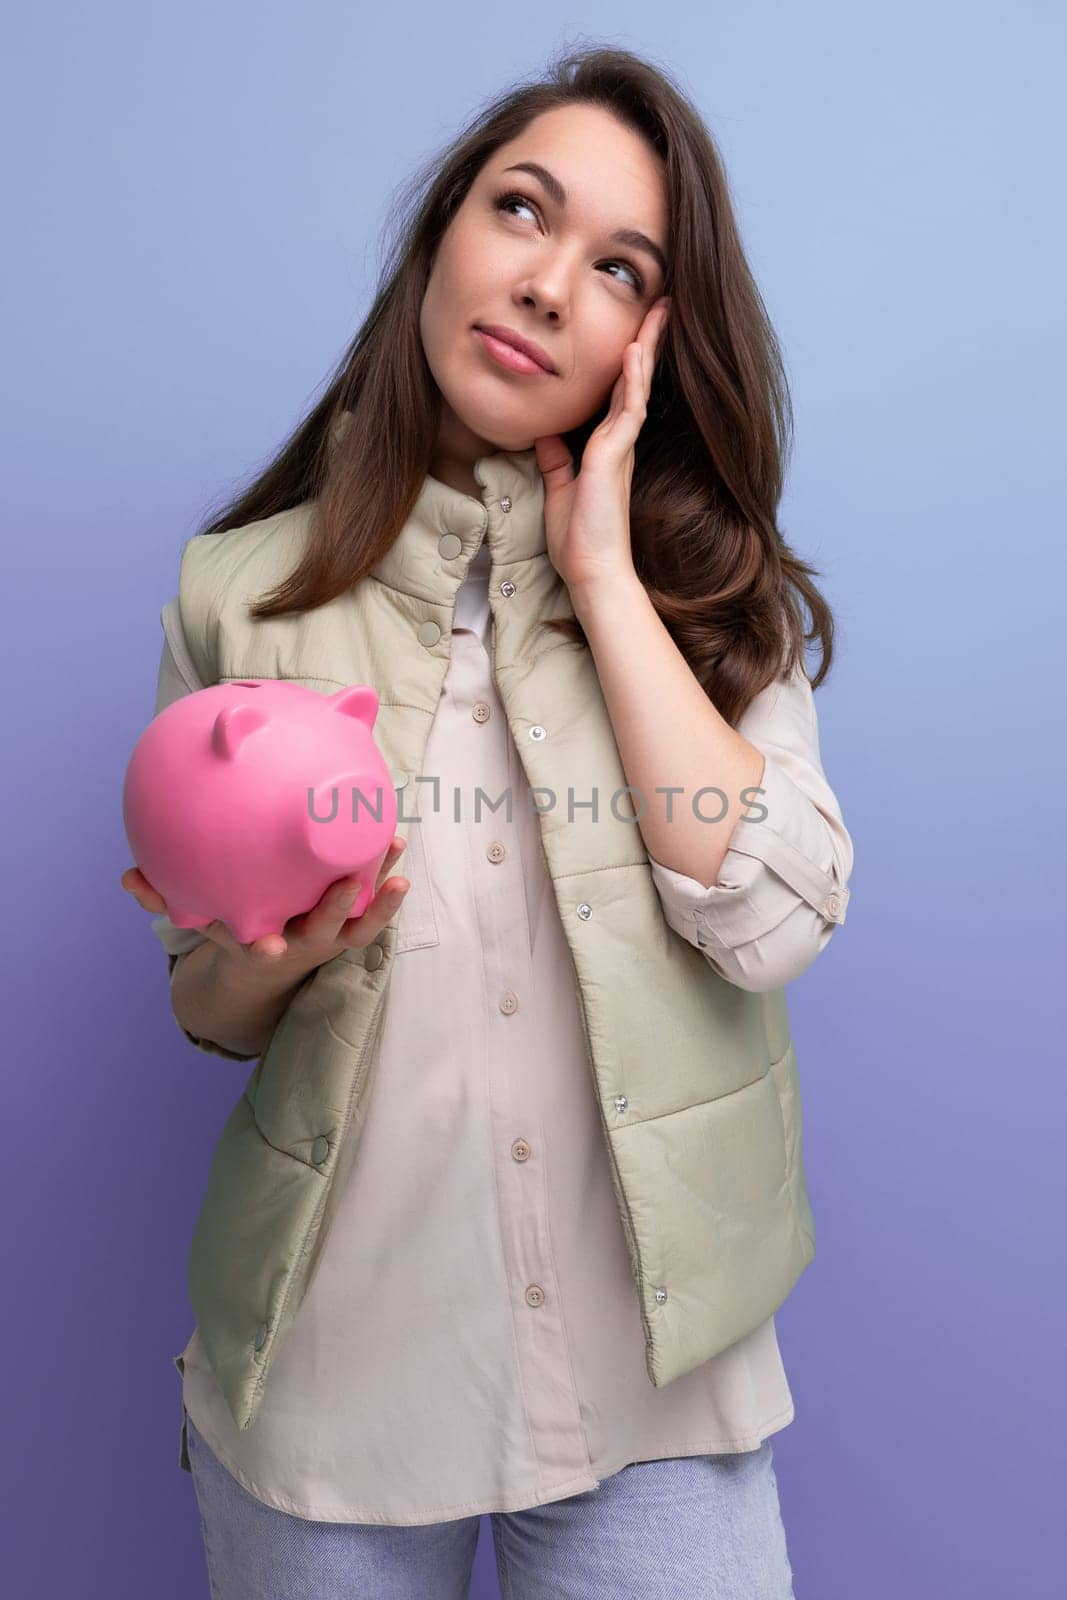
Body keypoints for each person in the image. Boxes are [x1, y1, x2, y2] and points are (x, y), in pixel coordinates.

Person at [122, 43, 853, 1600]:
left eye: (616, 269)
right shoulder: (233, 596)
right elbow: (207, 1007)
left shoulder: (714, 608)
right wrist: (261, 957)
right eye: (522, 211)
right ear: (444, 231)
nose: (543, 284)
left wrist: (601, 575)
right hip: (330, 1389)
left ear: (657, 340)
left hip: (658, 1382)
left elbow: (776, 920)